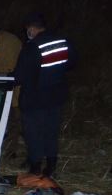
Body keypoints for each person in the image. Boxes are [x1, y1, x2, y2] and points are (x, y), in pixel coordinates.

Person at [12, 13, 75, 178]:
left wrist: (6, 78)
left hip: (35, 98)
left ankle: (35, 168)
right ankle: (51, 165)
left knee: (33, 133)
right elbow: (71, 63)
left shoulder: (32, 47)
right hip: (56, 96)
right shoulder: (62, 42)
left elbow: (20, 76)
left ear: (32, 28)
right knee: (51, 131)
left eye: (28, 30)